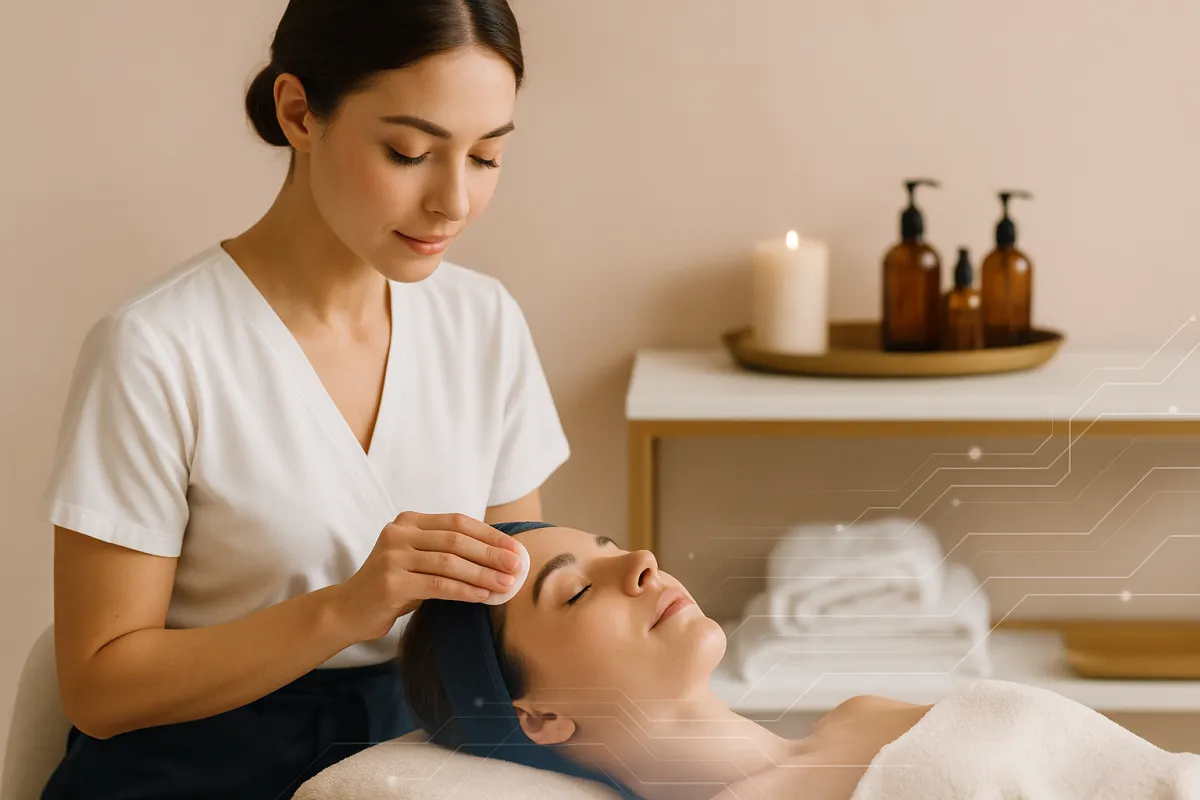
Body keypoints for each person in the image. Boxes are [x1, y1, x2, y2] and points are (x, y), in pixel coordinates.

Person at [38, 1, 563, 797]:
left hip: (412, 765)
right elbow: (99, 688)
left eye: (486, 157)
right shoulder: (156, 347)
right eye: (409, 150)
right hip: (189, 772)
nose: (453, 201)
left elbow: (513, 615)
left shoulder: (482, 321)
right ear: (299, 113)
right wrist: (347, 609)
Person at [398, 523, 1200, 800]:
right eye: (574, 592)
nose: (640, 560)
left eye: (610, 545)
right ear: (537, 715)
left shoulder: (862, 713)